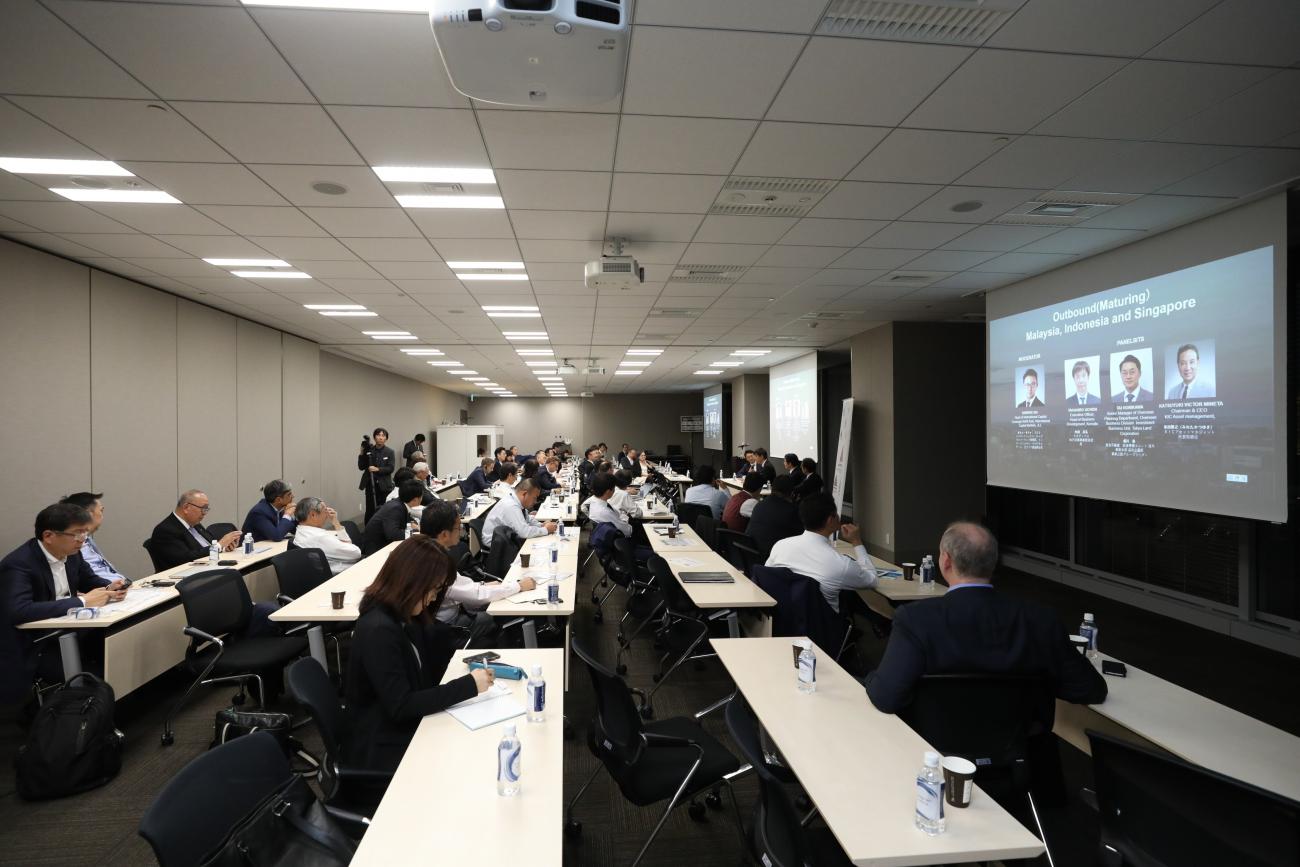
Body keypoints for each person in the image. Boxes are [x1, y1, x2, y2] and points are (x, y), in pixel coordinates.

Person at [864, 522, 1107, 721]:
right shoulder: (1042, 620)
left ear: (945, 561)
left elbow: (886, 697)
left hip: (934, 752)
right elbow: (1091, 689)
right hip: (1021, 754)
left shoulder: (916, 620)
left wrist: (872, 676)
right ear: (992, 563)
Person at [346, 536, 494, 772]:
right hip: (384, 743)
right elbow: (401, 706)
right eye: (433, 589)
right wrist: (468, 685)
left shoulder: (403, 615)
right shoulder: (379, 629)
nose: (434, 597)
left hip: (407, 724)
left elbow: (427, 664)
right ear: (411, 582)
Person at [0, 504, 127, 701]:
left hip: (69, 630)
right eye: (76, 533)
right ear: (49, 536)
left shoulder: (72, 554)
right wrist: (82, 601)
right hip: (36, 643)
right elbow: (19, 610)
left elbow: (89, 580)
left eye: (85, 532)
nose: (82, 539)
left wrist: (110, 587)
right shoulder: (19, 564)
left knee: (118, 647)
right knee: (98, 673)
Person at [421, 500, 533, 642]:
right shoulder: (437, 563)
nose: (461, 531)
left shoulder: (424, 550)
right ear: (444, 534)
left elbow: (460, 586)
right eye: (458, 527)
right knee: (495, 617)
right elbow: (475, 595)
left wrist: (484, 585)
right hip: (448, 627)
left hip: (440, 618)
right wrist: (519, 586)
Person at [765, 492, 876, 613]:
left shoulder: (780, 546)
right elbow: (872, 580)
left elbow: (768, 576)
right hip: (824, 622)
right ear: (830, 520)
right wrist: (857, 541)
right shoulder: (841, 565)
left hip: (783, 617)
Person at [147, 489, 243, 570]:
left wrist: (225, 547)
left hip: (211, 567)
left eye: (206, 509)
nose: (205, 513)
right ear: (186, 507)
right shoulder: (166, 530)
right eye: (203, 508)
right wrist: (219, 545)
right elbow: (186, 559)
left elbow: (208, 545)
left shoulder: (195, 524)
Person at [58, 492, 128, 584]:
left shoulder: (87, 540)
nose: (80, 539)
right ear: (88, 514)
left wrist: (117, 585)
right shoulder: (70, 547)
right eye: (101, 510)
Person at [480, 478, 556, 549]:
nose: (535, 501)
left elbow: (527, 519)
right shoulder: (511, 506)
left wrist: (541, 525)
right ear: (524, 494)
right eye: (534, 498)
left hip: (505, 538)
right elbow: (524, 532)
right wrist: (546, 530)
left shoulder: (515, 500)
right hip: (495, 545)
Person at [293, 497, 362, 574]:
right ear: (313, 515)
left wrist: (335, 522)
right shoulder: (320, 537)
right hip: (345, 573)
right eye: (325, 510)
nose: (327, 514)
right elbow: (356, 553)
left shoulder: (300, 531)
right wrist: (336, 523)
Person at [362, 479, 425, 556]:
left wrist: (416, 526)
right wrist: (415, 533)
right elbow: (393, 534)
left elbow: (409, 519)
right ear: (415, 499)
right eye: (422, 496)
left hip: (384, 543)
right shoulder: (395, 508)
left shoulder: (400, 503)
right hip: (376, 550)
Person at [746, 475, 802, 556]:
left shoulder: (759, 505)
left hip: (749, 553)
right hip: (770, 557)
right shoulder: (792, 511)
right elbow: (801, 536)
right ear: (792, 493)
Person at [359, 427, 396, 523]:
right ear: (374, 437)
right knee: (370, 509)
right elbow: (361, 466)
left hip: (384, 485)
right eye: (378, 435)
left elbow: (391, 468)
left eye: (383, 435)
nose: (380, 437)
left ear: (386, 438)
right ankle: (368, 529)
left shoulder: (390, 452)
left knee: (384, 509)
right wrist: (362, 453)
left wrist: (378, 469)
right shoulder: (369, 451)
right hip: (370, 485)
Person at [584, 472, 634, 538]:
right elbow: (628, 531)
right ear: (608, 492)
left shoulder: (592, 501)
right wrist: (625, 518)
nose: (615, 491)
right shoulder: (605, 512)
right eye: (614, 488)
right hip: (618, 539)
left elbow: (583, 508)